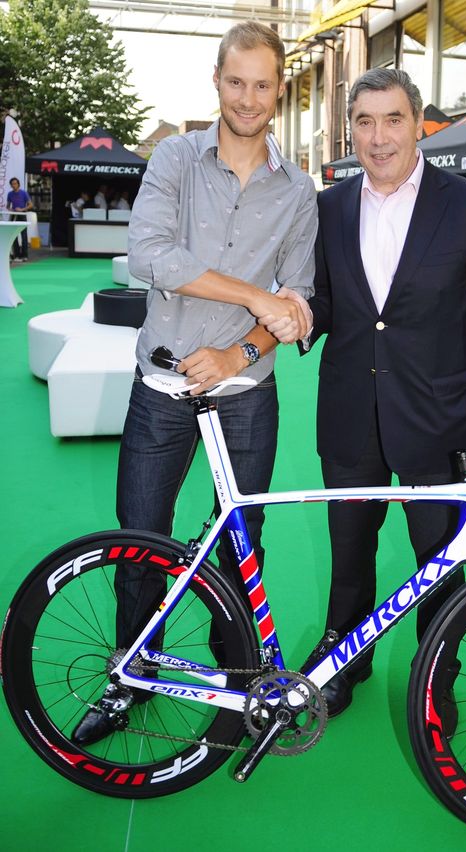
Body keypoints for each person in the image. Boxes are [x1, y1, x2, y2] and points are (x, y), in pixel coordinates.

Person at [71, 20, 317, 745]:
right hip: (162, 388)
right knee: (140, 544)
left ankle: (240, 691)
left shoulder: (298, 189)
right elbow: (149, 254)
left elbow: (297, 300)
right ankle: (128, 677)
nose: (248, 97)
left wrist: (243, 352)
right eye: (236, 81)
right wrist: (252, 296)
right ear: (217, 81)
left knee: (242, 547)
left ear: (280, 90)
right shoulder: (174, 157)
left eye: (262, 84)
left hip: (247, 397)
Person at [301, 69, 466, 720]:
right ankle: (345, 662)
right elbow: (325, 302)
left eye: (392, 119)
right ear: (351, 130)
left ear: (419, 123)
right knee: (349, 559)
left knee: (439, 565)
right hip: (349, 416)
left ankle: (437, 677)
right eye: (364, 122)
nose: (378, 137)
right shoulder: (328, 207)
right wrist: (292, 316)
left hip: (439, 423)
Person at [6, 177, 33, 261]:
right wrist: (12, 210)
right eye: (12, 184)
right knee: (13, 235)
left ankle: (24, 255)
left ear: (18, 184)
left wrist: (22, 209)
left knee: (24, 235)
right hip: (14, 215)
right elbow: (8, 206)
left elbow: (30, 205)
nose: (14, 185)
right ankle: (16, 254)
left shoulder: (24, 193)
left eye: (15, 183)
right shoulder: (10, 194)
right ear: (11, 185)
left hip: (22, 214)